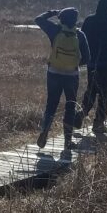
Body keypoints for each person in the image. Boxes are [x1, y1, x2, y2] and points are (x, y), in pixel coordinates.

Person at [33, 8, 92, 151]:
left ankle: (45, 129)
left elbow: (38, 19)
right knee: (70, 106)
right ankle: (67, 141)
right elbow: (87, 58)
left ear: (61, 19)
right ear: (76, 20)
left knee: (51, 104)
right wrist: (74, 64)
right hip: (71, 75)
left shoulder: (54, 30)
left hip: (53, 72)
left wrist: (53, 12)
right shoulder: (80, 35)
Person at [78, 0, 107, 135]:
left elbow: (81, 40)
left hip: (92, 63)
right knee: (104, 94)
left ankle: (80, 114)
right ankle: (98, 123)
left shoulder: (89, 21)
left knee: (91, 91)